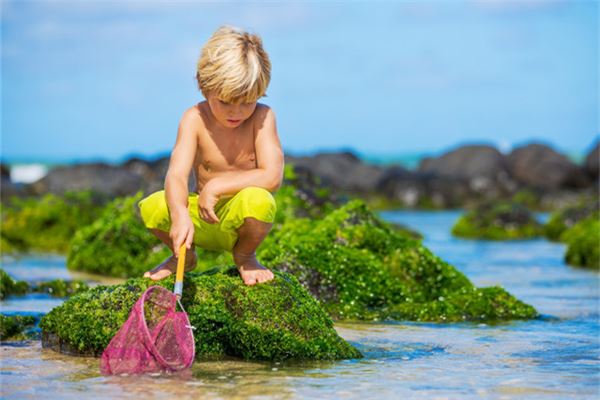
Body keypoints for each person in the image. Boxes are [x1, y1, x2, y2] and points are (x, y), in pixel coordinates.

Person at [137, 25, 284, 286]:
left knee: (260, 200)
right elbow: (177, 175)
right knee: (153, 206)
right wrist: (181, 214)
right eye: (225, 102)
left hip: (237, 221)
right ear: (204, 87)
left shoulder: (262, 118)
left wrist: (218, 185)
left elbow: (272, 176)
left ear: (260, 93)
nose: (236, 112)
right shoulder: (194, 119)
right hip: (200, 222)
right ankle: (184, 255)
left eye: (247, 102)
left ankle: (245, 256)